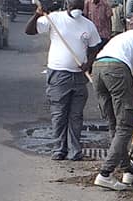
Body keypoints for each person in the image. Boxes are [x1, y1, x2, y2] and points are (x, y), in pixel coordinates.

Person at [26, 1, 103, 161]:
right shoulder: (54, 18)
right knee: (59, 114)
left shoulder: (88, 25)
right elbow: (29, 30)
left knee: (76, 116)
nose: (76, 9)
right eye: (74, 5)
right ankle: (59, 149)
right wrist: (37, 14)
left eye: (78, 6)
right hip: (58, 75)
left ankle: (75, 151)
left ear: (83, 8)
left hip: (79, 77)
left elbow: (95, 47)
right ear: (67, 5)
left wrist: (88, 64)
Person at [92, 14, 133, 191]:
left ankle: (128, 170)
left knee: (114, 124)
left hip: (98, 68)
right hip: (117, 69)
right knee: (126, 125)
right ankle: (105, 173)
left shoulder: (119, 37)